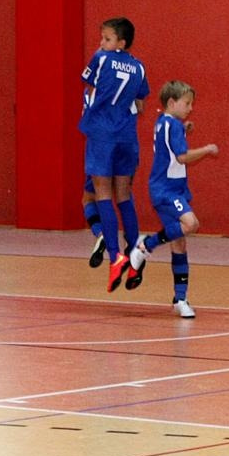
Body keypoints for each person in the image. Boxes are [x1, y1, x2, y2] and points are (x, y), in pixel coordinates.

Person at [124, 80, 218, 318]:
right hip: (166, 190)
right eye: (187, 104)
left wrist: (184, 129)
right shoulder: (172, 126)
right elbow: (182, 157)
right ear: (172, 102)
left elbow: (168, 142)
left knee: (179, 243)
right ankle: (145, 245)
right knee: (191, 223)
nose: (190, 108)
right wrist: (207, 149)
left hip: (173, 188)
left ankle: (180, 298)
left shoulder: (164, 122)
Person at [79, 17, 150, 291]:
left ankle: (115, 256)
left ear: (120, 42)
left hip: (102, 134)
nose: (101, 43)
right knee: (124, 195)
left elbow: (88, 83)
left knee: (102, 194)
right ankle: (134, 254)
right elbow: (140, 104)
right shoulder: (139, 67)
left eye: (106, 39)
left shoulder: (101, 58)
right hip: (127, 137)